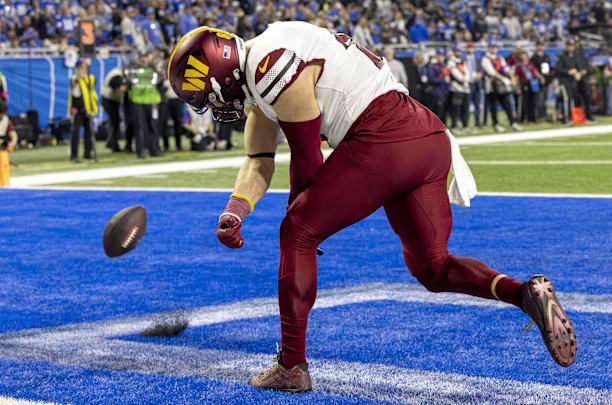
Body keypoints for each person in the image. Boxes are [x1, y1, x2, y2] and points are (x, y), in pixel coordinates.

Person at [168, 24, 577, 392]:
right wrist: (235, 211)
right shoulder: (266, 69)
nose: (211, 105)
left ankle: (291, 367)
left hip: (384, 135)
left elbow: (308, 157)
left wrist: (303, 217)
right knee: (432, 268)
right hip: (424, 136)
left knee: (297, 230)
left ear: (220, 75)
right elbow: (259, 160)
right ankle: (522, 293)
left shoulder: (269, 64)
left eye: (205, 95)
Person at [126, 50, 163, 158]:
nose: (144, 59)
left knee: (153, 127)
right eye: (142, 56)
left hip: (152, 101)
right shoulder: (133, 69)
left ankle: (154, 149)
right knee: (140, 127)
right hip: (138, 101)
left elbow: (161, 81)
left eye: (145, 56)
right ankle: (141, 150)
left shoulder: (154, 69)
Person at [481, 41, 520, 132]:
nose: (494, 49)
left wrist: (512, 77)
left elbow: (506, 68)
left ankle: (512, 123)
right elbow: (492, 72)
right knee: (493, 105)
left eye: (495, 47)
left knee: (507, 104)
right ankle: (496, 124)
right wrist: (504, 79)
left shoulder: (500, 58)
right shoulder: (485, 59)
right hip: (492, 85)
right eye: (492, 47)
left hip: (501, 86)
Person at [68, 59, 98, 162]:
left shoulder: (90, 78)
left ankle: (87, 154)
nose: (83, 70)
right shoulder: (74, 78)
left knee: (89, 133)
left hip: (87, 109)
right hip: (76, 109)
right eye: (81, 68)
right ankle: (74, 156)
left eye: (84, 68)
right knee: (75, 133)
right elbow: (74, 88)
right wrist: (78, 76)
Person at [101, 66, 127, 152]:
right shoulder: (117, 75)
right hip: (110, 100)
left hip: (109, 100)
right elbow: (118, 89)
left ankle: (110, 142)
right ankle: (113, 144)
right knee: (116, 121)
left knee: (115, 121)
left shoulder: (116, 72)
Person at [513, 51, 545, 123]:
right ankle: (523, 118)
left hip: (532, 84)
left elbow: (535, 72)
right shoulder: (519, 66)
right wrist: (517, 87)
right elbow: (517, 77)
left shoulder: (530, 65)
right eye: (522, 55)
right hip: (524, 84)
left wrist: (541, 78)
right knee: (524, 102)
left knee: (533, 102)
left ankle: (532, 118)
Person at [446, 49, 470, 131]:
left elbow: (467, 72)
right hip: (456, 87)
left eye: (460, 51)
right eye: (457, 51)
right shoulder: (451, 61)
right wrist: (463, 80)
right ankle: (454, 126)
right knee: (456, 108)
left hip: (465, 87)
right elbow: (455, 73)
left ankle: (465, 125)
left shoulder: (462, 61)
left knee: (465, 108)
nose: (458, 53)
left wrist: (466, 80)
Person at [427, 48, 451, 124]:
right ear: (436, 56)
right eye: (439, 55)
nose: (441, 57)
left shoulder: (444, 66)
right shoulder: (432, 66)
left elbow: (448, 78)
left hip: (445, 92)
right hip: (437, 93)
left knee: (445, 113)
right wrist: (444, 80)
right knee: (438, 113)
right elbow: (431, 79)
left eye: (442, 55)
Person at [531, 43, 552, 122]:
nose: (540, 47)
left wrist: (550, 79)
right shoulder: (534, 57)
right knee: (539, 100)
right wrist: (540, 77)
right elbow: (533, 69)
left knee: (545, 100)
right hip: (538, 82)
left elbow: (550, 69)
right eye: (539, 45)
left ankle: (544, 115)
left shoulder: (546, 57)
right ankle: (540, 116)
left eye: (541, 45)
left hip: (547, 80)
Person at [464, 42, 483, 128]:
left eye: (472, 47)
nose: (470, 49)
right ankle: (466, 123)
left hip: (476, 83)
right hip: (468, 83)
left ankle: (477, 122)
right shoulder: (463, 59)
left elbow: (481, 69)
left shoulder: (477, 59)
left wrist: (480, 74)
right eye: (469, 47)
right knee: (467, 104)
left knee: (477, 104)